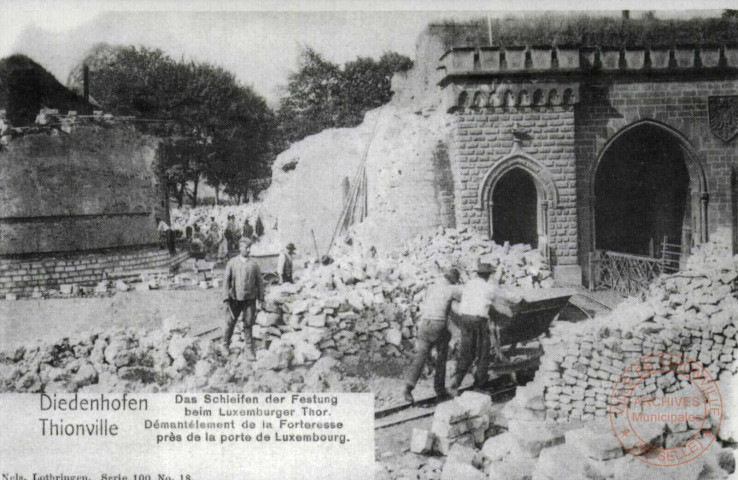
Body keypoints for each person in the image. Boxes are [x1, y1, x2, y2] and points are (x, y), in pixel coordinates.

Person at [447, 262, 520, 396]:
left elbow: (459, 294)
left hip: (464, 320)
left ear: (478, 273)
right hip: (478, 322)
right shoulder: (489, 287)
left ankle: (454, 384)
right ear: (489, 275)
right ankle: (479, 385)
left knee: (466, 352)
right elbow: (507, 297)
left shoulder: (469, 284)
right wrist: (518, 299)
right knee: (483, 353)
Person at [403, 267, 463, 403]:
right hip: (438, 325)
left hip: (424, 324)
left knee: (420, 357)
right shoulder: (451, 289)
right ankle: (440, 391)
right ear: (453, 281)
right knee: (441, 358)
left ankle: (408, 388)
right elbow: (463, 298)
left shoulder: (432, 288)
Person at [222, 238, 264, 359]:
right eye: (246, 247)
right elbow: (226, 282)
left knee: (248, 324)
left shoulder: (254, 264)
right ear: (240, 248)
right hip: (234, 299)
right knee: (230, 322)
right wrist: (226, 298)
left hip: (250, 300)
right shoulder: (232, 263)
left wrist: (261, 298)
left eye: (250, 247)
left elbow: (260, 283)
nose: (249, 250)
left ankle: (249, 349)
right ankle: (225, 345)